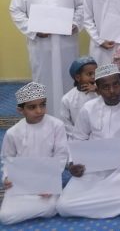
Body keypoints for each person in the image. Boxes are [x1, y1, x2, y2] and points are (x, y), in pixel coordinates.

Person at [57, 64, 120, 219]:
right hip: (93, 166)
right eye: (106, 87)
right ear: (98, 89)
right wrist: (73, 163)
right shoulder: (88, 108)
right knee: (63, 206)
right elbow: (78, 139)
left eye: (116, 85)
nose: (112, 91)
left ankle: (99, 201)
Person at [9, 0, 84, 115]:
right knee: (43, 79)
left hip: (66, 43)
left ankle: (70, 115)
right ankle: (44, 115)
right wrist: (34, 30)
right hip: (41, 45)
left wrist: (74, 24)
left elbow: (82, 5)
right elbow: (16, 10)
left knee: (69, 77)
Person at [0, 82, 68, 225]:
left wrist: (49, 182)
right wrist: (6, 177)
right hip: (22, 181)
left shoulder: (56, 125)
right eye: (32, 107)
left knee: (51, 207)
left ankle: (46, 205)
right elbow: (8, 159)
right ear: (21, 110)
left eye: (42, 105)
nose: (39, 111)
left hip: (47, 178)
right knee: (5, 217)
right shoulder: (13, 132)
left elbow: (61, 157)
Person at [60, 56, 98, 139]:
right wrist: (79, 136)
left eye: (96, 73)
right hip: (77, 139)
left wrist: (98, 90)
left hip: (98, 136)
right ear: (78, 77)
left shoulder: (100, 93)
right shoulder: (67, 98)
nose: (93, 77)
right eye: (89, 74)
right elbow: (66, 123)